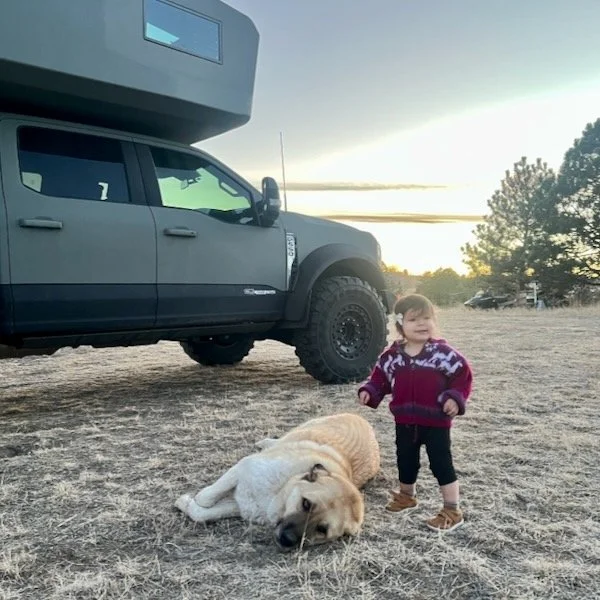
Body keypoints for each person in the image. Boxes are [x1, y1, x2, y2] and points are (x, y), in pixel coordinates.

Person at [357, 293, 473, 532]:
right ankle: (407, 496)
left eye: (427, 318)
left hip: (436, 422)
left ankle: (452, 509)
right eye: (414, 319)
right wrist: (370, 391)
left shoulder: (442, 353)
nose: (422, 324)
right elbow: (380, 379)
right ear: (400, 325)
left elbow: (463, 377)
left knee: (441, 463)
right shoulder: (392, 356)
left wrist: (455, 397)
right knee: (405, 460)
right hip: (405, 421)